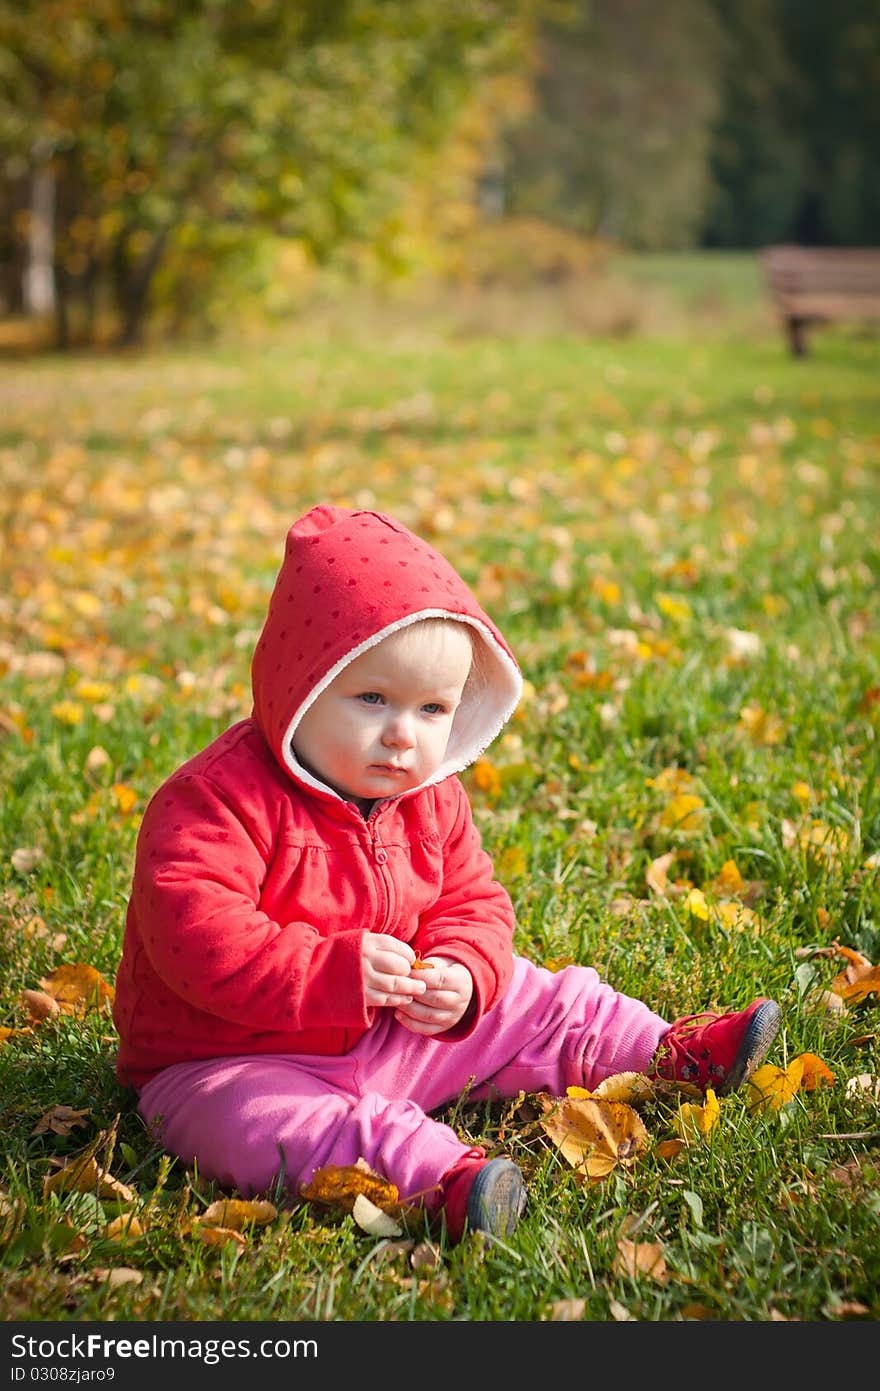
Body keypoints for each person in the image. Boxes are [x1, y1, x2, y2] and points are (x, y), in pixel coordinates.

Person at [113, 504, 782, 1243]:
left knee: (536, 996)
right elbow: (196, 937)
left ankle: (664, 1052)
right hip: (232, 1058)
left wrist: (463, 973)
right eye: (372, 697)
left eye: (433, 708)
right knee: (265, 1130)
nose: (403, 733)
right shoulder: (214, 800)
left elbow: (475, 900)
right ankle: (444, 1178)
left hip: (394, 1031)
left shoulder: (430, 799)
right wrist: (326, 970)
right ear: (297, 683)